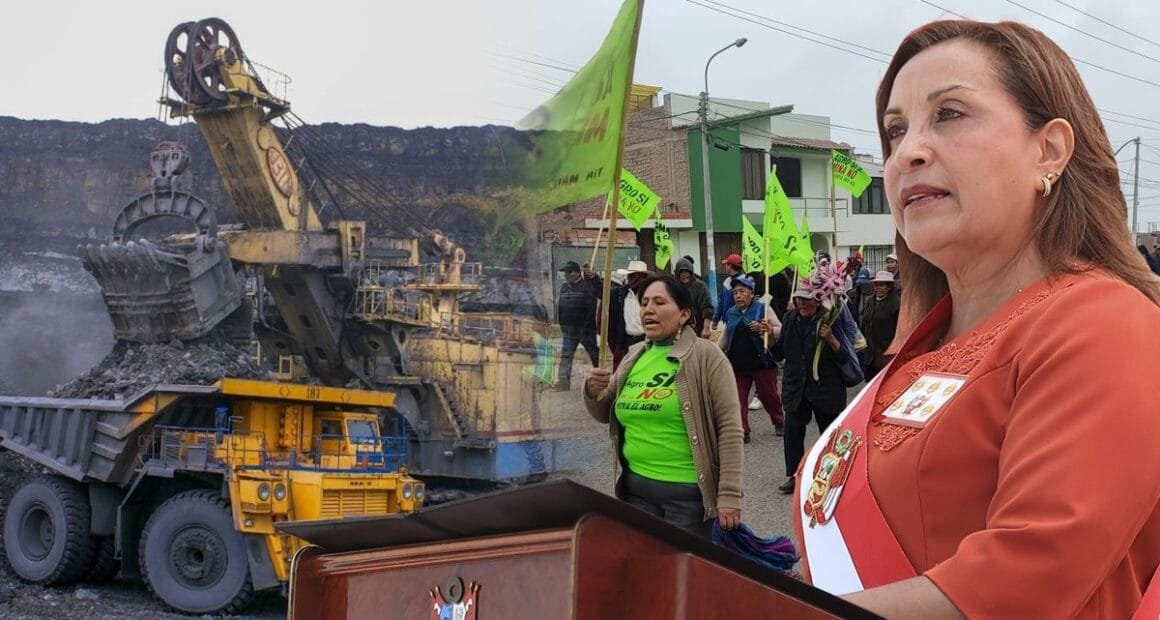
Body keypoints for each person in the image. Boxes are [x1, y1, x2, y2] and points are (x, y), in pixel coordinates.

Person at [792, 20, 1160, 619]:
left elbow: (1024, 583)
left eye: (950, 114)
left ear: (1049, 150)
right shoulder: (924, 345)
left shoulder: (1105, 323)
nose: (907, 152)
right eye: (895, 130)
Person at [584, 274, 743, 538]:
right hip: (635, 493)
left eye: (659, 302)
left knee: (681, 564)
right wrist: (592, 390)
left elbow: (729, 429)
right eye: (644, 302)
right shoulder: (634, 356)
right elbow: (603, 412)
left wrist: (729, 494)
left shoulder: (707, 357)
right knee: (642, 562)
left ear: (684, 314)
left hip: (688, 500)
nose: (648, 309)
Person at [772, 286, 850, 495]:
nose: (802, 303)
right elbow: (779, 354)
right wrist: (769, 338)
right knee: (792, 432)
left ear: (817, 300)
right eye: (799, 298)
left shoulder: (831, 319)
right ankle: (794, 475)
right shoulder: (789, 319)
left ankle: (833, 474)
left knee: (830, 434)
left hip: (826, 389)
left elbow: (845, 356)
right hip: (796, 387)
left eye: (806, 299)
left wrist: (831, 339)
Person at [718, 276, 784, 443]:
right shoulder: (731, 312)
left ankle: (779, 421)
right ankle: (743, 431)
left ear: (751, 294)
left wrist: (765, 328)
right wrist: (714, 353)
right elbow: (725, 337)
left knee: (769, 397)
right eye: (735, 293)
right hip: (737, 364)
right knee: (737, 400)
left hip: (761, 362)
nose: (738, 296)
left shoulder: (762, 308)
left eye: (742, 292)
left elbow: (780, 329)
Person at [554, 260, 599, 391]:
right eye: (565, 272)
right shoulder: (564, 287)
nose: (567, 275)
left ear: (578, 273)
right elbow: (560, 307)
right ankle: (563, 381)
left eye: (570, 272)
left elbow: (591, 308)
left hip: (585, 330)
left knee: (594, 353)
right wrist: (562, 325)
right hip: (569, 329)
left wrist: (586, 327)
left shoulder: (586, 286)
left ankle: (600, 377)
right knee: (566, 355)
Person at [607, 261, 650, 370]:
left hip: (647, 340)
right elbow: (601, 293)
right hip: (626, 341)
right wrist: (592, 279)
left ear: (642, 277)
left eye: (633, 275)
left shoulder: (651, 295)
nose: (630, 279)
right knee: (622, 371)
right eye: (629, 275)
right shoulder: (621, 294)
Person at [858, 270, 900, 381]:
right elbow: (864, 324)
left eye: (882, 285)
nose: (878, 288)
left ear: (889, 287)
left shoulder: (896, 304)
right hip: (869, 355)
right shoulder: (870, 302)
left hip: (886, 354)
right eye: (876, 285)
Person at [675, 257, 714, 337]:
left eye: (686, 272)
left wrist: (706, 328)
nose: (684, 274)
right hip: (678, 328)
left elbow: (707, 308)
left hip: (697, 327)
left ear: (691, 272)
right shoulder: (673, 287)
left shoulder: (700, 286)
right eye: (681, 272)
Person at [711, 253, 745, 329]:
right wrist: (716, 320)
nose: (725, 267)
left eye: (726, 265)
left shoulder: (745, 281)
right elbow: (721, 302)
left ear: (730, 266)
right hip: (728, 321)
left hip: (741, 321)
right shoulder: (727, 281)